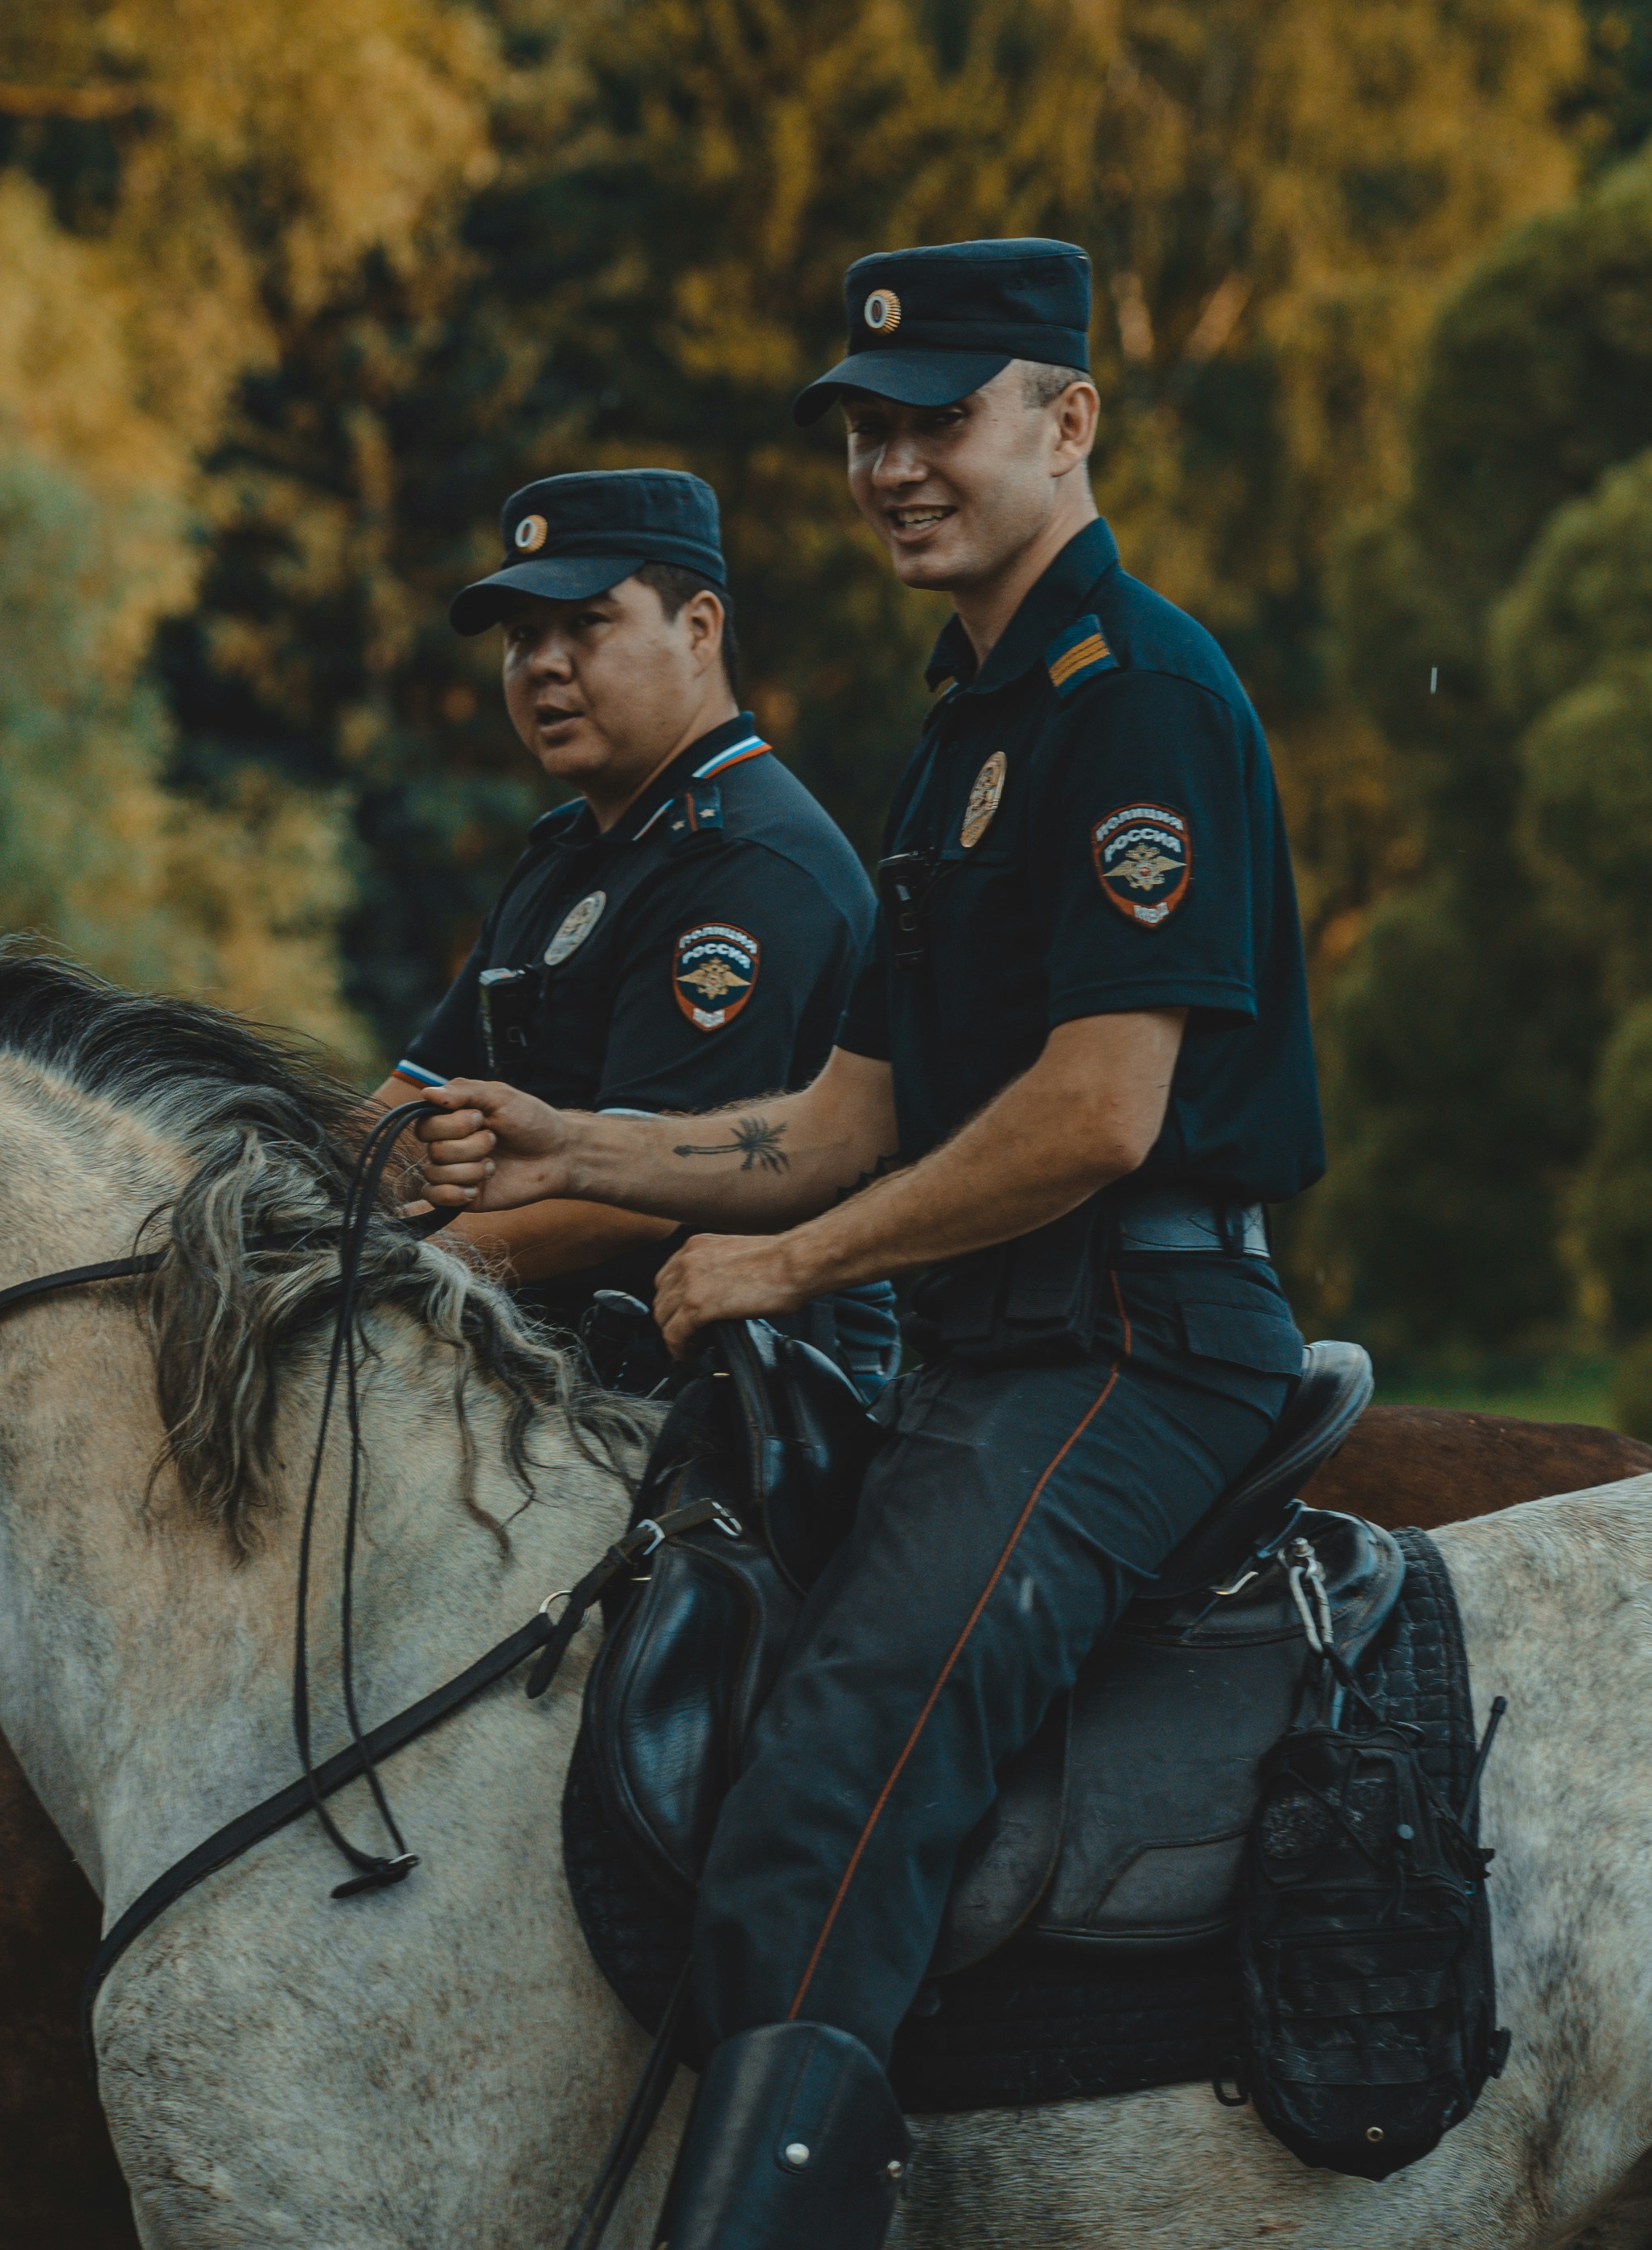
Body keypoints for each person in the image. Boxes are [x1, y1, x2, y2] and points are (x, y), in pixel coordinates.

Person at [414, 239, 1323, 2248]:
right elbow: (845, 1116)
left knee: (816, 1796)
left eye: (935, 418)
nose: (884, 462)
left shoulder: (1135, 697)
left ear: (1064, 420)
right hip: (993, 1349)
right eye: (858, 427)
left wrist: (797, 1267)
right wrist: (593, 1136)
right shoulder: (965, 728)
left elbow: (1097, 1110)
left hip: (1133, 1336)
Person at [378, 468, 892, 1392]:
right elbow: (404, 1111)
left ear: (699, 629)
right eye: (522, 637)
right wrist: (263, 1198)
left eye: (588, 622)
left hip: (724, 1422)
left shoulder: (750, 867)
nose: (544, 663)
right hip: (553, 1399)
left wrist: (374, 1268)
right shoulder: (570, 852)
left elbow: (635, 1206)